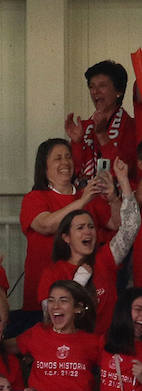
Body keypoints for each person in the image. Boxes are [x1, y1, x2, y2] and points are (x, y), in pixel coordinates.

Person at [36, 158, 139, 332]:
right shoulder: (52, 273)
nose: (88, 232)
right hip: (74, 351)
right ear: (66, 238)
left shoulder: (105, 258)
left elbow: (130, 228)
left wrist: (123, 180)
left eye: (91, 227)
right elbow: (50, 319)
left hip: (106, 348)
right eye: (80, 228)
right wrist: (79, 281)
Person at [18, 138, 116, 318]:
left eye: (68, 157)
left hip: (86, 296)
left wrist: (112, 197)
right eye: (58, 158)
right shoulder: (34, 198)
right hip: (43, 295)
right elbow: (46, 225)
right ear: (44, 166)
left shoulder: (87, 196)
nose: (65, 162)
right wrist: (82, 201)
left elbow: (115, 223)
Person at [67, 60, 139, 186]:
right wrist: (76, 143)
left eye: (102, 86)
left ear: (119, 91)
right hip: (85, 201)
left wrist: (102, 136)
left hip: (118, 202)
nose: (95, 91)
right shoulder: (82, 127)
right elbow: (73, 174)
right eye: (91, 86)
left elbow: (126, 171)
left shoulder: (133, 127)